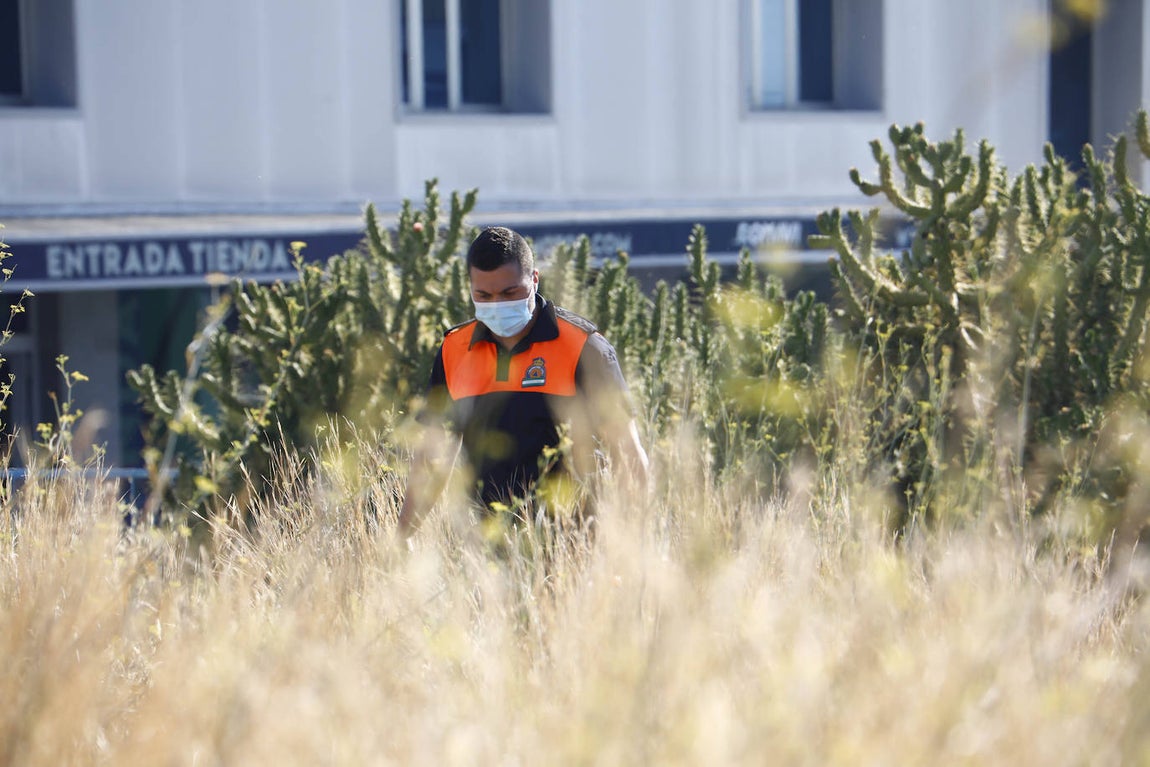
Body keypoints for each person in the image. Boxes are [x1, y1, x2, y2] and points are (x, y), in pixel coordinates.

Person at [397, 226, 649, 537]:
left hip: (572, 542)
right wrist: (403, 537)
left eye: (509, 293)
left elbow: (629, 455)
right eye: (483, 295)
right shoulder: (454, 350)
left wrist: (631, 548)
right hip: (484, 545)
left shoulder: (584, 347)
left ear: (534, 280)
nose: (497, 304)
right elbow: (433, 458)